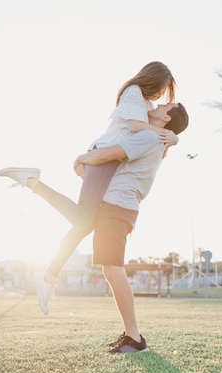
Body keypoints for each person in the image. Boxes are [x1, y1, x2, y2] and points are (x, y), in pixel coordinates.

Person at [0, 62, 179, 310]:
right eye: (161, 91)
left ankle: (47, 273)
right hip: (104, 157)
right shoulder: (134, 93)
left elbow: (155, 134)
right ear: (151, 80)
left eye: (164, 99)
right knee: (83, 221)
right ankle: (32, 183)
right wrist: (169, 136)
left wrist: (172, 136)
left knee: (84, 223)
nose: (160, 98)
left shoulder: (147, 105)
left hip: (110, 162)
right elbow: (137, 128)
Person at [73, 102, 189, 353]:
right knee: (110, 269)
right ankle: (130, 334)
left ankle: (135, 339)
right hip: (117, 206)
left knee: (113, 270)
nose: (159, 104)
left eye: (165, 105)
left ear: (166, 118)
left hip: (116, 207)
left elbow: (107, 154)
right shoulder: (153, 137)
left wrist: (81, 158)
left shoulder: (149, 136)